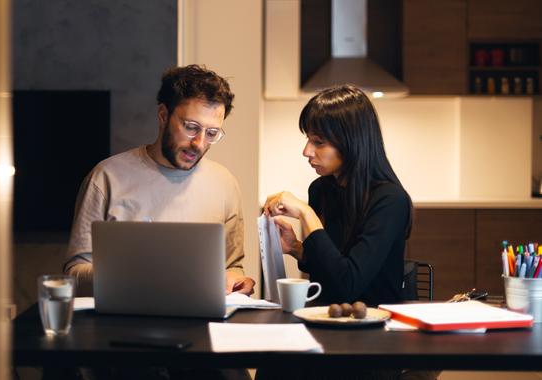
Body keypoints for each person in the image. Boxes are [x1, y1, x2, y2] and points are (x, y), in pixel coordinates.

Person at [259, 86, 427, 380]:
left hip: (373, 336)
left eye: (318, 142)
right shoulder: (322, 189)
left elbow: (348, 282)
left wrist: (307, 215)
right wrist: (298, 248)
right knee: (272, 360)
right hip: (327, 322)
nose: (307, 151)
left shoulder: (390, 200)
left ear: (351, 143)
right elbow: (331, 268)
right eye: (308, 140)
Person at [64, 64, 255, 296]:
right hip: (124, 323)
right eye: (191, 128)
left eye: (212, 133)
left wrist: (235, 279)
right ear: (163, 115)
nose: (199, 143)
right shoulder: (106, 178)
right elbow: (74, 274)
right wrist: (135, 274)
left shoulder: (225, 184)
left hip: (200, 324)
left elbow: (232, 266)